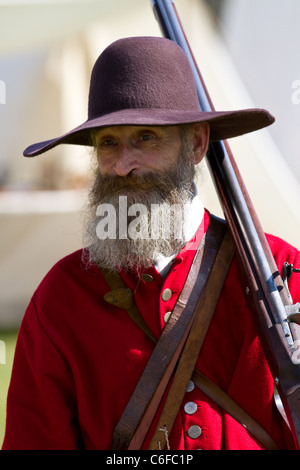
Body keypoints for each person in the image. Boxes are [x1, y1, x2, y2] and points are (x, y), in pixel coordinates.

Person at [2, 36, 300, 451]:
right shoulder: (62, 296)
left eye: (146, 137)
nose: (123, 165)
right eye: (109, 142)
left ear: (196, 143)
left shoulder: (278, 269)